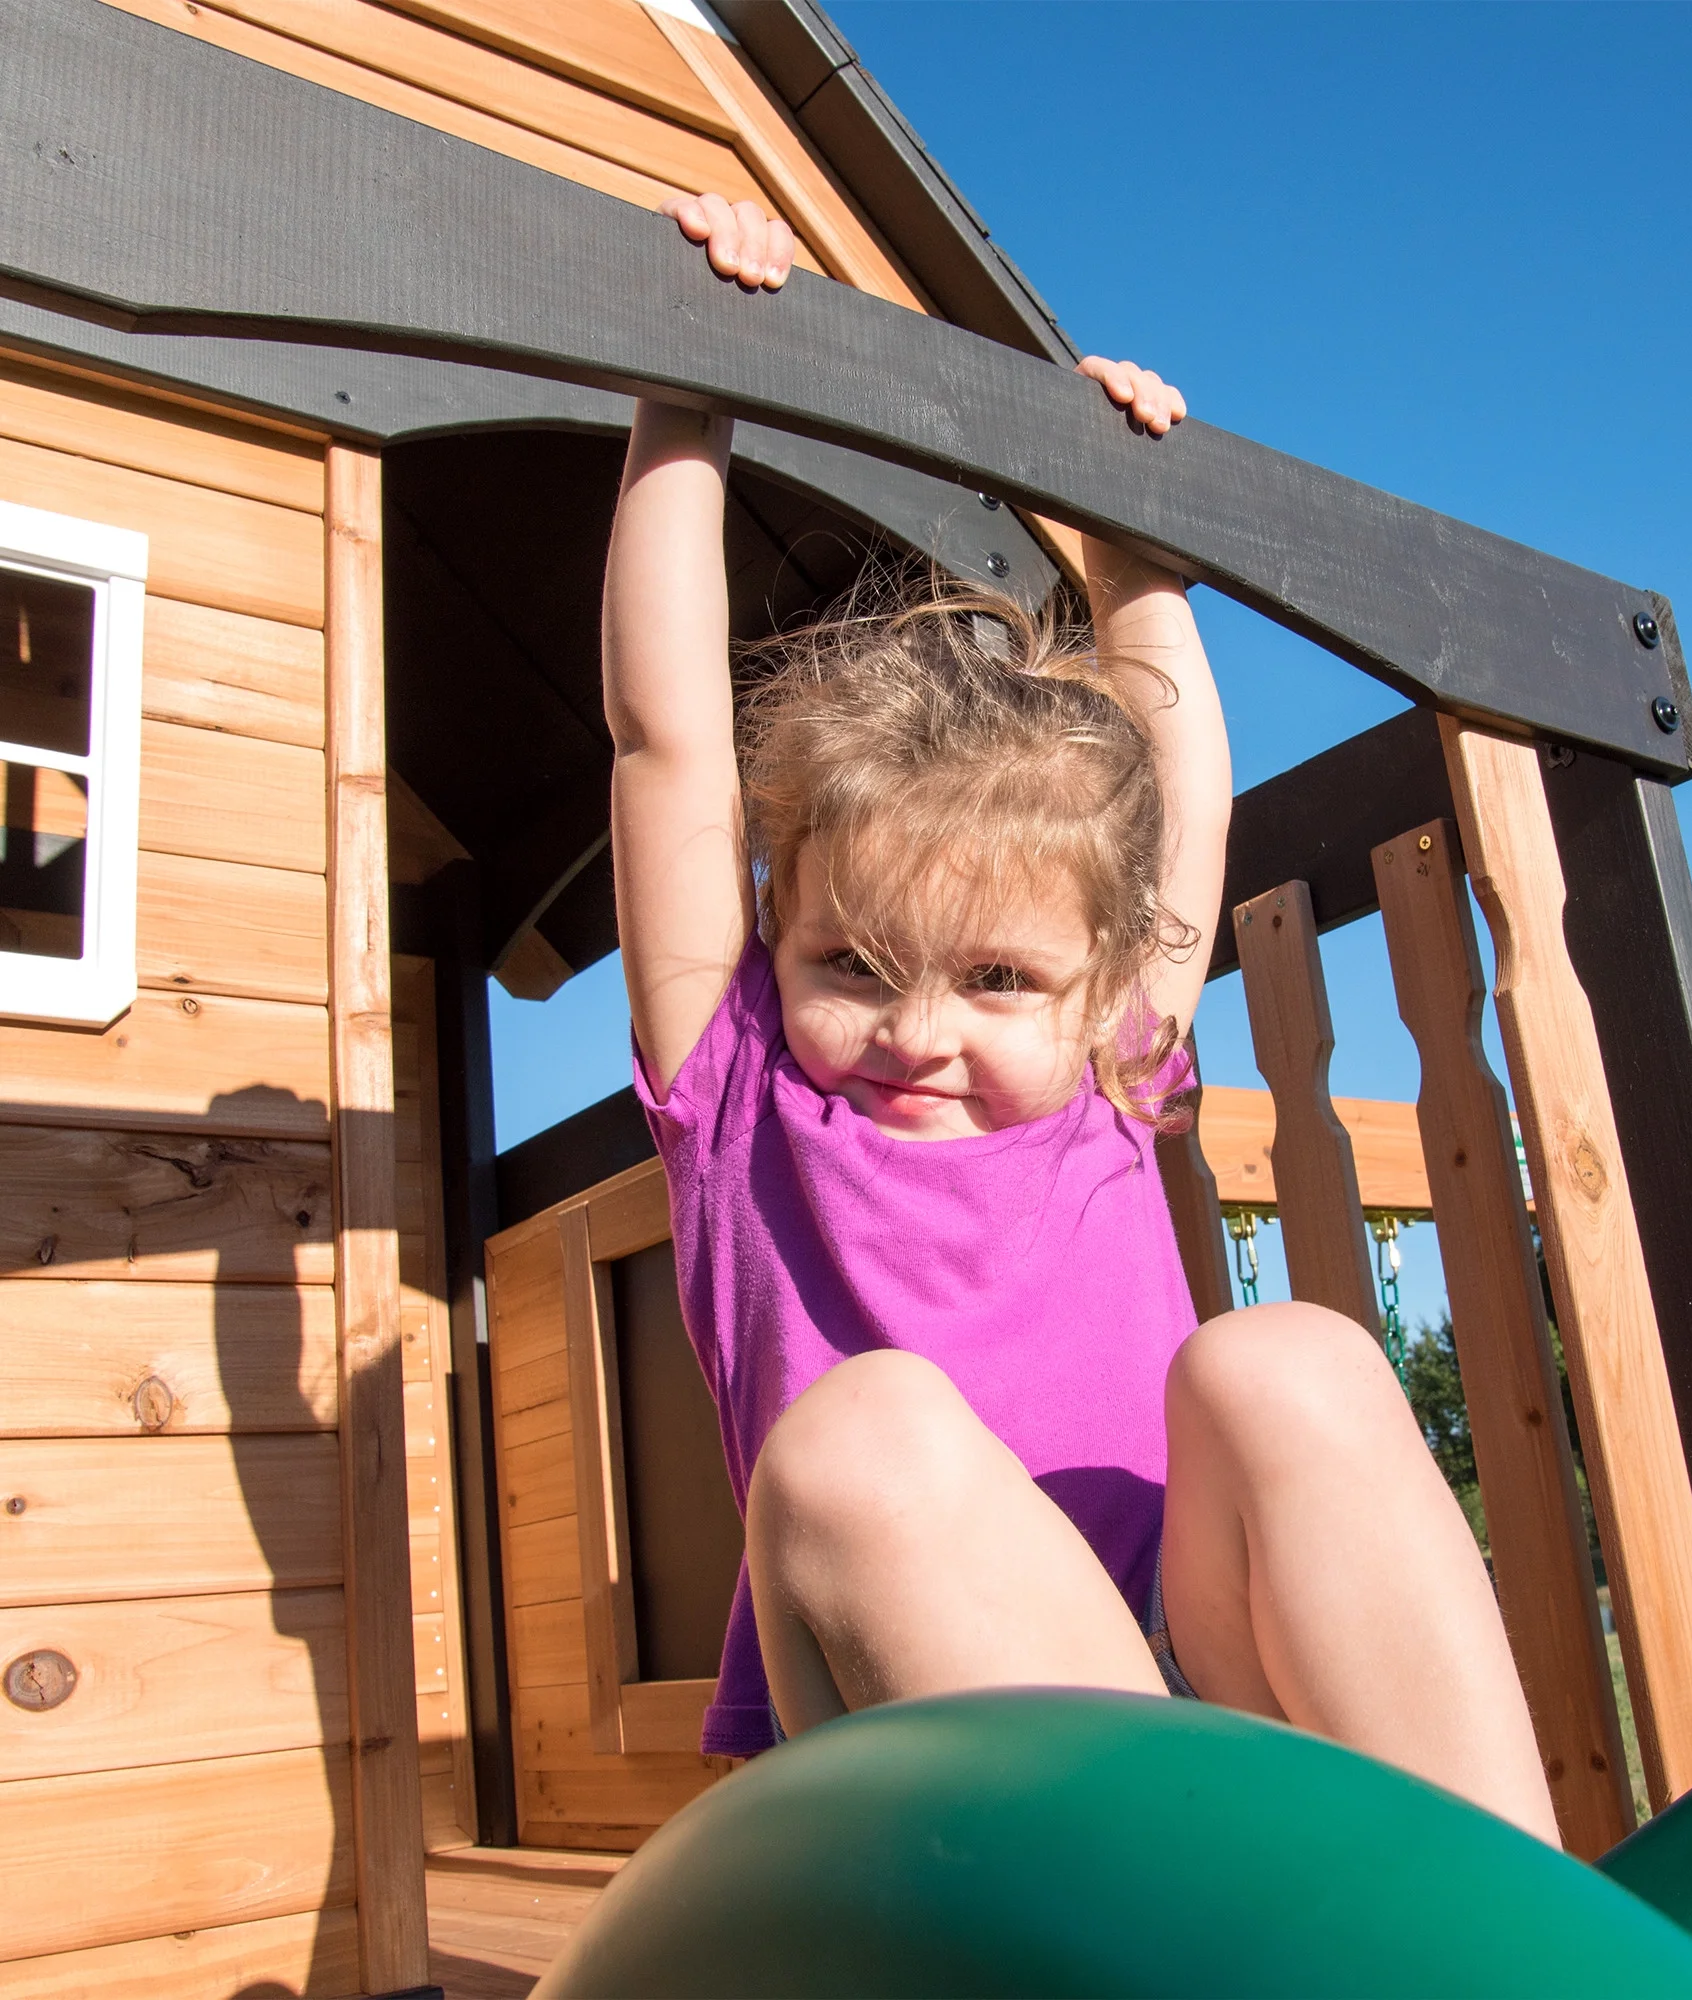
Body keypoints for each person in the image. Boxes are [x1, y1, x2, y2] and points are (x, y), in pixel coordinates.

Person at [604, 192, 1558, 1843]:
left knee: (1290, 1360)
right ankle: (1177, 1907)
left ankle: (1510, 1926)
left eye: (994, 979)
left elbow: (1184, 784)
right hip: (909, 1731)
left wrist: (1131, 558)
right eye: (852, 965)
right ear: (778, 944)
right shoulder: (739, 1088)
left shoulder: (1110, 1069)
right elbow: (665, 744)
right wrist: (686, 393)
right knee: (860, 1434)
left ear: (1106, 983)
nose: (918, 1030)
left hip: (1196, 1676)